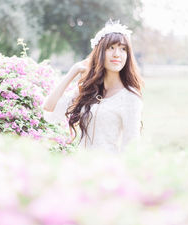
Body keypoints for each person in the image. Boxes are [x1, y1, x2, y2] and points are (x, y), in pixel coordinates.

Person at [43, 20, 144, 152]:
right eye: (111, 48)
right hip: (80, 166)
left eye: (123, 49)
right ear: (100, 53)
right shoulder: (89, 90)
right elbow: (49, 108)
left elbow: (131, 147)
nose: (117, 54)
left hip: (108, 169)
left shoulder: (130, 97)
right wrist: (72, 72)